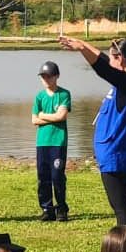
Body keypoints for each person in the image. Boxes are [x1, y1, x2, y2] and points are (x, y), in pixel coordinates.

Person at [60, 35, 126, 252]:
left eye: (113, 56)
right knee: (124, 206)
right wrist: (82, 44)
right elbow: (103, 61)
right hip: (119, 153)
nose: (109, 59)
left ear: (121, 59)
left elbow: (103, 68)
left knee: (120, 208)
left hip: (116, 154)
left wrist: (81, 48)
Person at [31, 60, 71, 222]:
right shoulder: (39, 96)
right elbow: (34, 120)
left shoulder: (64, 94)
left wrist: (43, 115)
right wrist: (49, 117)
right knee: (43, 176)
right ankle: (47, 209)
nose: (46, 79)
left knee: (57, 176)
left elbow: (61, 116)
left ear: (56, 76)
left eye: (48, 76)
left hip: (58, 142)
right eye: (43, 77)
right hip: (42, 142)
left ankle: (61, 208)